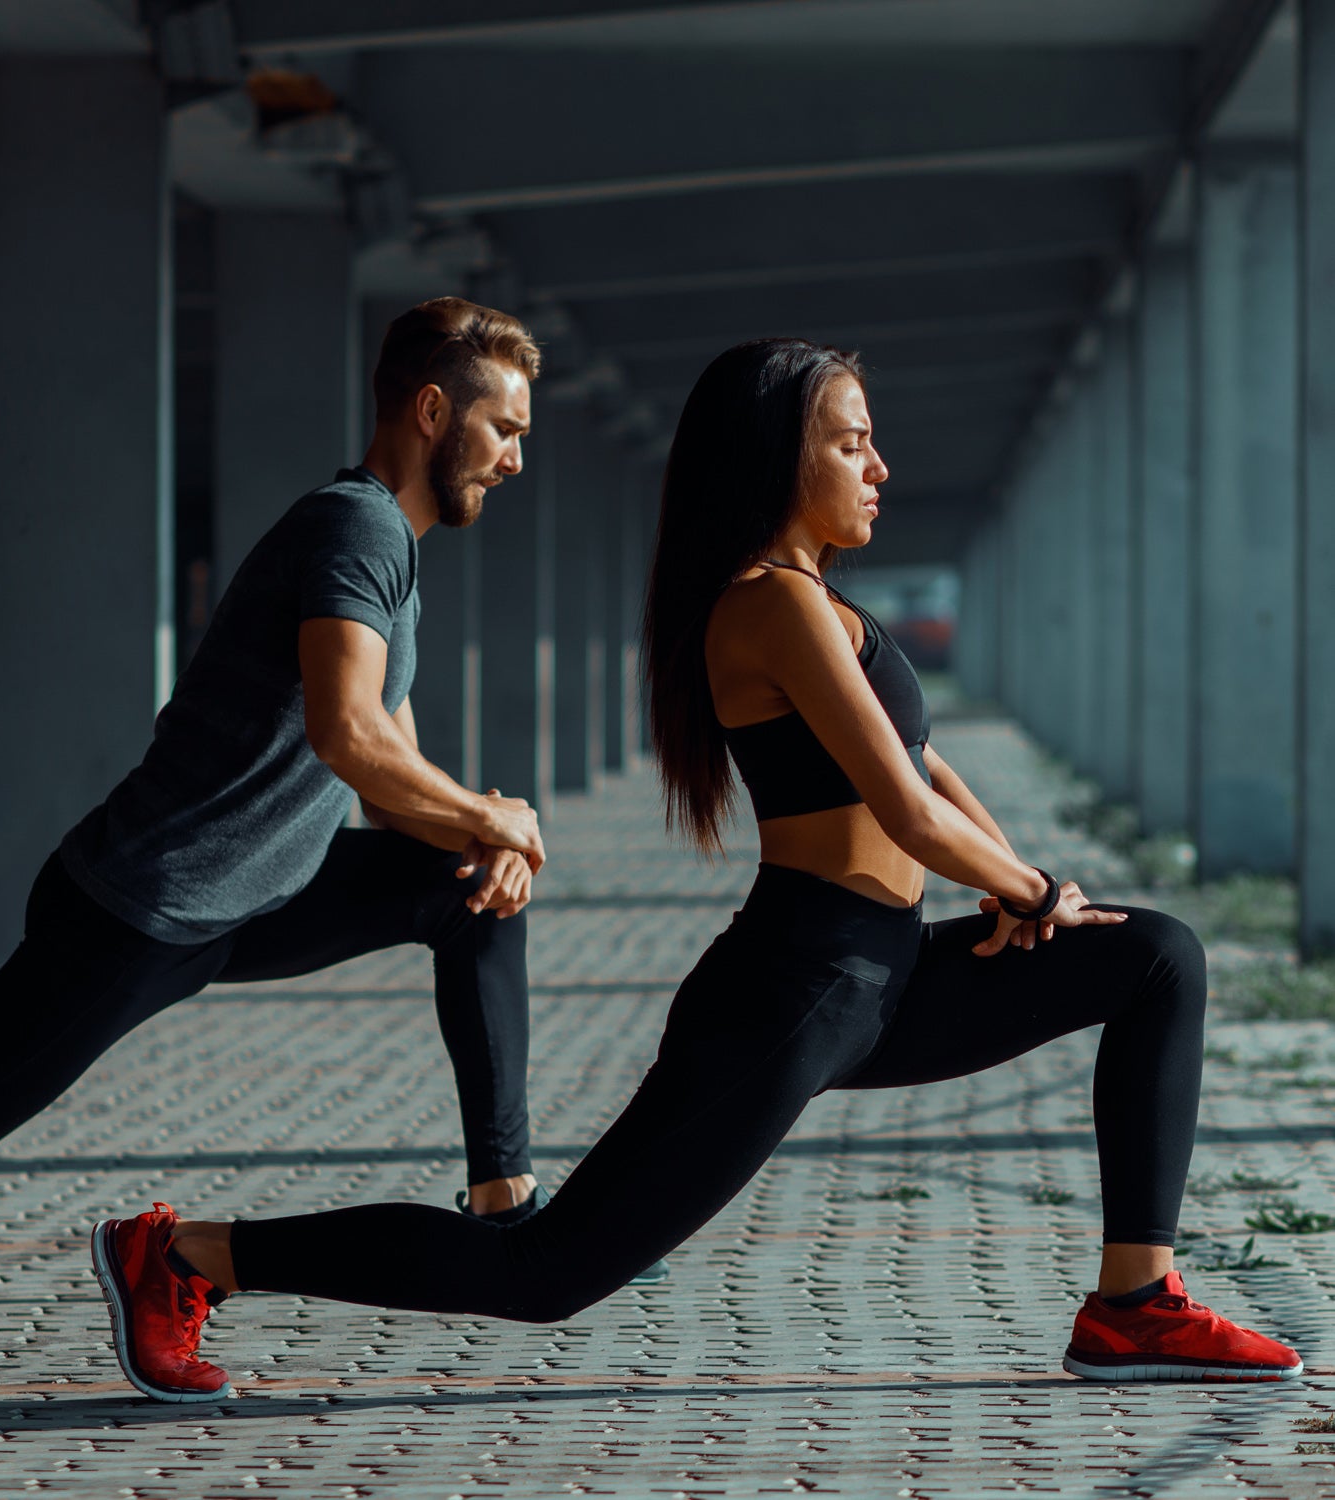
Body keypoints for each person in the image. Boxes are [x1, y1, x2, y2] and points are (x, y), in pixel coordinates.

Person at [89, 337, 1301, 1403]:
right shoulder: (766, 606)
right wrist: (1032, 894)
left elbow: (928, 776)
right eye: (852, 444)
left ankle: (1133, 1303)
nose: (879, 467)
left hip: (889, 979)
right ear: (781, 459)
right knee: (545, 1272)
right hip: (798, 990)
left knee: (1153, 958)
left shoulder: (828, 605)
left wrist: (1026, 885)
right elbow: (902, 810)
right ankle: (188, 1255)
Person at [0, 298, 557, 1229]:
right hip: (144, 906)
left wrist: (485, 837)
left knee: (471, 899)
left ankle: (507, 1203)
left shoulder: (394, 557)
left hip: (257, 896)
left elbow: (390, 785)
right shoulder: (356, 530)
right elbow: (349, 735)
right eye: (504, 428)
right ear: (430, 412)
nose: (515, 460)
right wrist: (491, 818)